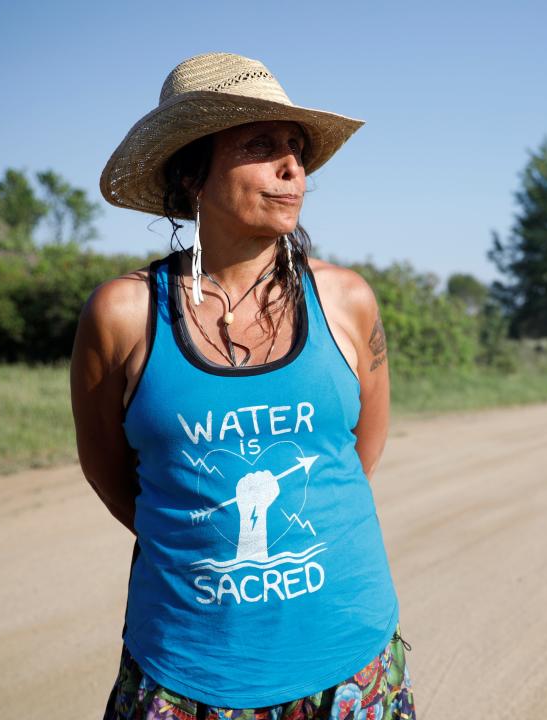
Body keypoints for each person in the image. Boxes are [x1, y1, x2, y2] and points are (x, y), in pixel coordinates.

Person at [71, 52, 415, 720]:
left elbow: (355, 457)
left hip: (349, 662)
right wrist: (202, 543)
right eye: (261, 146)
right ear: (191, 172)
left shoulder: (346, 301)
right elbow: (112, 473)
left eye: (296, 147)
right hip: (185, 668)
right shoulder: (122, 315)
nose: (293, 167)